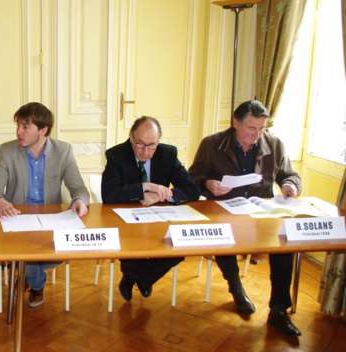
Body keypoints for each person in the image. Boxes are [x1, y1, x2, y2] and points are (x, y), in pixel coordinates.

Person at [188, 100, 302, 337]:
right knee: (221, 238)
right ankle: (236, 288)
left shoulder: (274, 144)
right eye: (252, 129)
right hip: (224, 210)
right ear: (235, 123)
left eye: (262, 129)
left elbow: (289, 174)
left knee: (285, 243)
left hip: (261, 212)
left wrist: (290, 185)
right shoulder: (212, 144)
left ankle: (279, 310)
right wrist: (208, 183)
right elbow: (193, 176)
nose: (257, 135)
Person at [0, 102, 89, 308]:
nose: (18, 132)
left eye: (25, 127)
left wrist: (79, 201)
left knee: (47, 250)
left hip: (51, 221)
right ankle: (37, 283)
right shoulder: (8, 150)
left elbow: (79, 188)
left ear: (43, 130)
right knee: (27, 247)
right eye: (18, 126)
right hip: (17, 219)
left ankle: (25, 276)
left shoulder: (63, 151)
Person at [101, 116, 200, 301]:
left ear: (158, 142)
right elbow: (109, 194)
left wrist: (164, 195)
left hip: (159, 218)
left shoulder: (168, 154)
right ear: (131, 137)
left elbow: (192, 190)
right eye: (140, 144)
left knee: (180, 242)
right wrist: (145, 187)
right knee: (131, 242)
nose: (146, 152)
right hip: (126, 221)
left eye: (152, 145)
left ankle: (141, 277)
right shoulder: (116, 155)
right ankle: (133, 276)